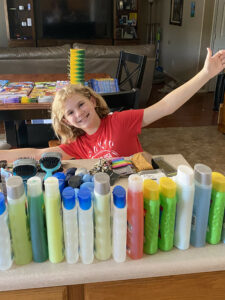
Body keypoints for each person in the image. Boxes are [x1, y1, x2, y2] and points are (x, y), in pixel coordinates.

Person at [1, 48, 225, 163]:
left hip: (140, 187)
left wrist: (206, 74)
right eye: (70, 112)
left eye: (80, 104)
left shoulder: (121, 120)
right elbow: (38, 154)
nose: (78, 113)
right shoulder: (76, 146)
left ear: (92, 100)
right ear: (65, 121)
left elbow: (166, 105)